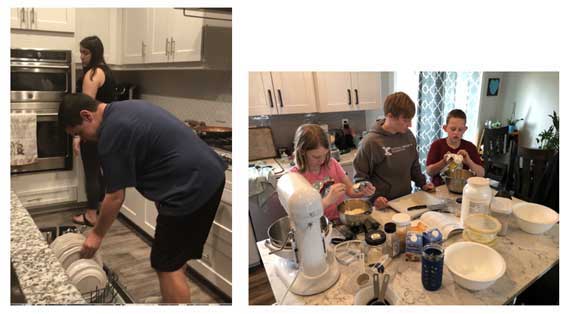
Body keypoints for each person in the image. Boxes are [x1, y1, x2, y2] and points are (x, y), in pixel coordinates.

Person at [58, 93, 226, 303]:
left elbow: (115, 197)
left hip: (190, 187)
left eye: (80, 132)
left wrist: (97, 234)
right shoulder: (124, 109)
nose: (83, 139)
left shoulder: (111, 133)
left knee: (165, 265)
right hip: (209, 176)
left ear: (87, 115)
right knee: (174, 258)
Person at [353, 92, 434, 209]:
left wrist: (423, 184)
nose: (410, 125)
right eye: (405, 120)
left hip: (406, 201)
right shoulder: (371, 142)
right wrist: (374, 198)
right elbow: (360, 180)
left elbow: (414, 166)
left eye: (410, 119)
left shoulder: (408, 136)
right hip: (382, 206)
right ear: (390, 116)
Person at [72, 35, 117, 227]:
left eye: (85, 52)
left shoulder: (92, 74)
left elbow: (85, 109)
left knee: (91, 172)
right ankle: (98, 208)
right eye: (81, 51)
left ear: (94, 53)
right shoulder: (106, 71)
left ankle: (91, 214)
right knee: (100, 173)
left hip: (92, 131)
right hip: (107, 130)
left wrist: (77, 135)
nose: (81, 56)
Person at [289, 124, 375, 221]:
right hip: (316, 227)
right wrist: (327, 201)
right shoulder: (295, 177)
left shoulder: (332, 164)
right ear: (302, 152)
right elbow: (302, 215)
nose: (322, 160)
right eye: (316, 157)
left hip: (340, 220)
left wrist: (362, 190)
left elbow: (350, 190)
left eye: (325, 154)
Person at [426, 109, 484, 186]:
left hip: (461, 188)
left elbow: (481, 174)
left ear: (465, 129)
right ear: (445, 128)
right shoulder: (437, 145)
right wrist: (443, 162)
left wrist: (469, 161)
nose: (456, 132)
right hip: (438, 189)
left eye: (460, 130)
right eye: (453, 129)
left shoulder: (470, 147)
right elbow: (429, 172)